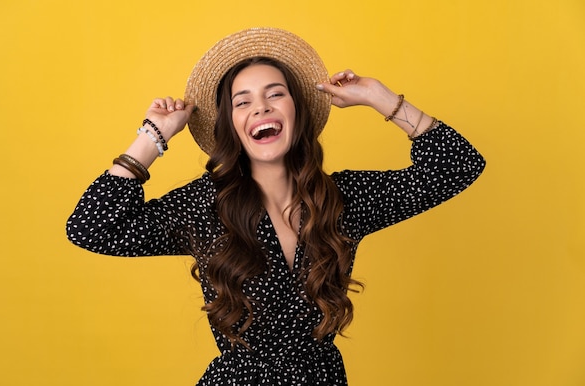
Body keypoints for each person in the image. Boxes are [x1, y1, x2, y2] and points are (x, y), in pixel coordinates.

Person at [66, 27, 485, 385]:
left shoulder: (342, 201)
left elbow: (457, 166)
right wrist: (152, 137)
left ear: (297, 112)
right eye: (242, 101)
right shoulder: (202, 206)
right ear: (231, 124)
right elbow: (90, 228)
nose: (261, 107)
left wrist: (381, 98)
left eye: (275, 94)